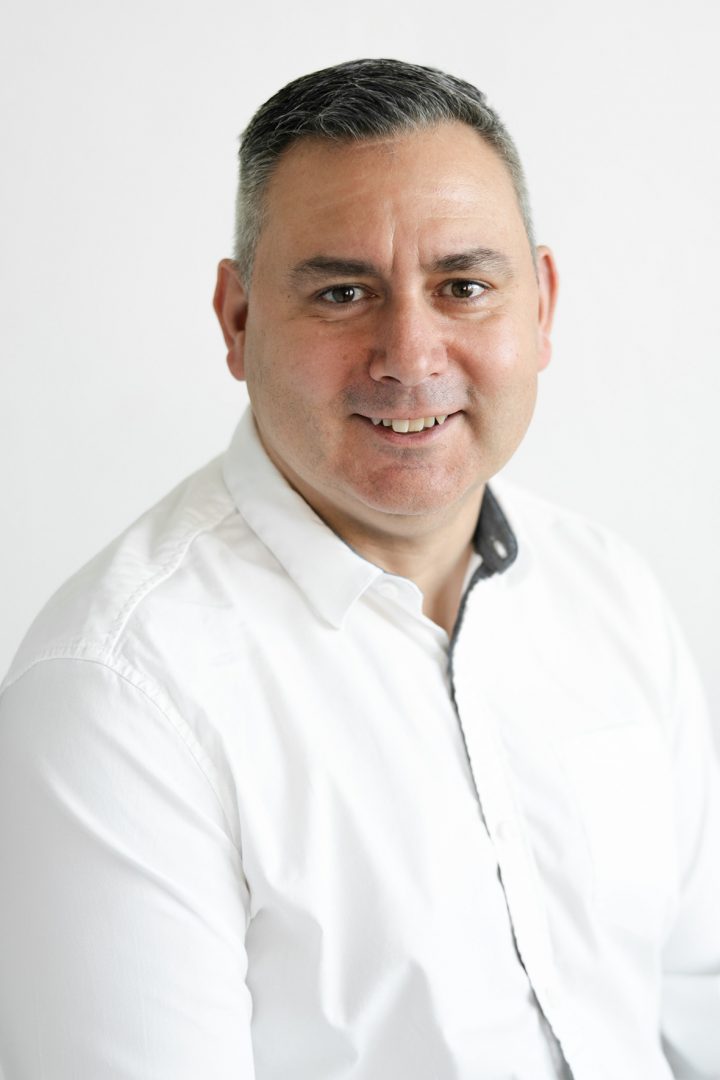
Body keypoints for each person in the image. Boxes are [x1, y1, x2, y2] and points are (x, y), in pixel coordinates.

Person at [0, 58, 718, 1080]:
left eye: (463, 287)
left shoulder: (611, 593)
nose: (410, 355)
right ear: (238, 320)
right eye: (343, 293)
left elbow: (695, 1002)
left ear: (543, 306)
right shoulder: (114, 697)